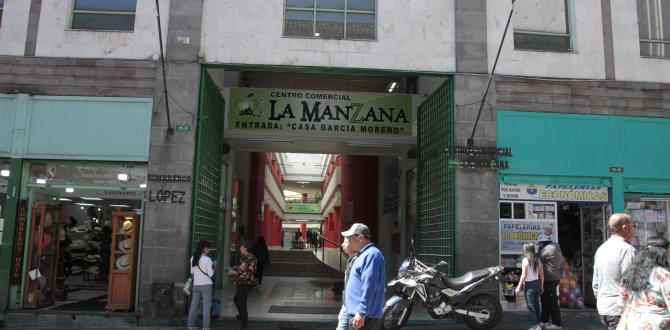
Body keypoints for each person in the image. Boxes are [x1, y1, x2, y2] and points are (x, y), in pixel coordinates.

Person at [593, 213, 637, 329]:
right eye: (634, 225)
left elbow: (596, 282)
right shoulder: (627, 249)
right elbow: (629, 281)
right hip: (619, 309)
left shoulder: (602, 248)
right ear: (625, 228)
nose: (634, 229)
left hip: (604, 307)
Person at [619, 237, 670, 329]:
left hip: (633, 321)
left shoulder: (631, 272)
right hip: (658, 323)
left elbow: (622, 301)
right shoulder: (664, 276)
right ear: (663, 252)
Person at [341, 223, 385, 329]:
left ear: (360, 238)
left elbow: (370, 285)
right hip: (357, 312)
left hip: (363, 315)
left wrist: (361, 312)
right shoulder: (363, 254)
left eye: (350, 239)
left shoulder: (372, 255)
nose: (349, 242)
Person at [228, 240, 257, 329]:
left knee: (242, 302)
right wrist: (235, 268)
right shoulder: (244, 257)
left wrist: (234, 273)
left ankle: (244, 324)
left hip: (245, 283)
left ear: (246, 249)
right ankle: (241, 316)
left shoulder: (252, 259)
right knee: (236, 299)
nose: (240, 248)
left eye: (242, 247)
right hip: (240, 282)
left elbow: (247, 274)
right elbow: (242, 268)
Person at [537, 234, 563, 329]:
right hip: (550, 278)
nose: (539, 245)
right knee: (545, 300)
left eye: (540, 244)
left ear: (543, 243)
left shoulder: (549, 249)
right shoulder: (554, 247)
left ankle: (557, 323)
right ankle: (544, 320)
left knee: (551, 301)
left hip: (550, 278)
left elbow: (538, 257)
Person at [187, 240, 214, 330]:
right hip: (206, 284)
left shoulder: (192, 258)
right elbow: (211, 274)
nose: (209, 250)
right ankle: (206, 327)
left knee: (194, 305)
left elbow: (192, 272)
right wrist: (214, 266)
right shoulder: (207, 259)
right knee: (206, 306)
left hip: (196, 285)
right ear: (204, 248)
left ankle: (190, 326)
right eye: (208, 249)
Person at [516, 242, 544, 330]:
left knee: (531, 306)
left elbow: (523, 275)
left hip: (529, 285)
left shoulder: (525, 260)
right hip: (537, 283)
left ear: (526, 250)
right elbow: (542, 275)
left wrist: (518, 286)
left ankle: (535, 325)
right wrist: (542, 286)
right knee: (537, 305)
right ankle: (538, 324)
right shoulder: (538, 260)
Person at [337, 235, 359, 330]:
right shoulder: (351, 259)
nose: (342, 245)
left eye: (345, 242)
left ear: (353, 244)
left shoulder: (358, 261)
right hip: (347, 304)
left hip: (354, 307)